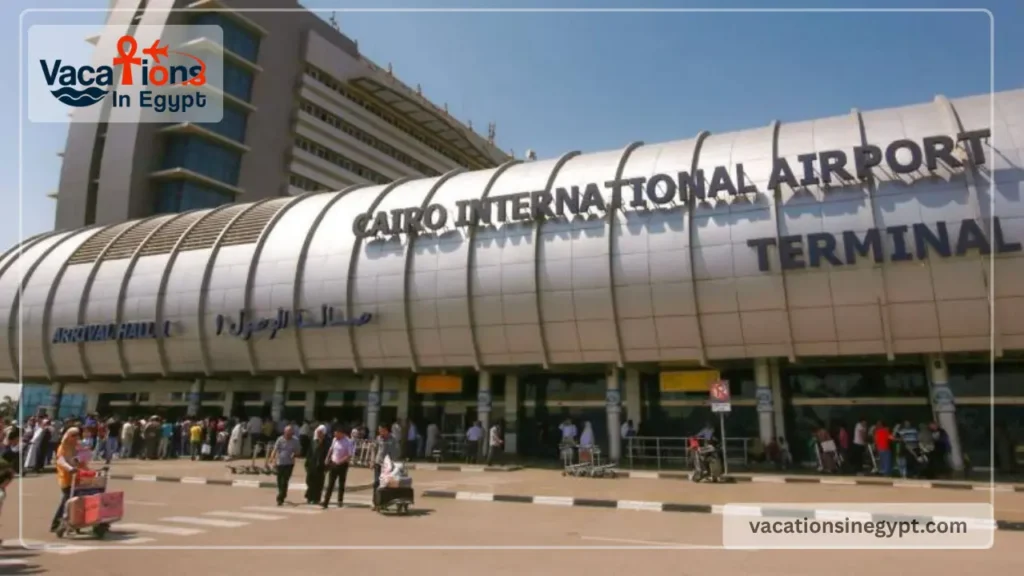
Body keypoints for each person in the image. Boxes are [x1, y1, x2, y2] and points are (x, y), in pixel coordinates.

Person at [51, 427, 88, 532]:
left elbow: (81, 458)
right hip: (66, 478)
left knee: (77, 501)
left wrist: (81, 463)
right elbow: (60, 461)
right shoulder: (62, 447)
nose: (75, 437)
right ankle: (56, 524)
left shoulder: (76, 447)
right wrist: (70, 468)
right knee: (66, 501)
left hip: (76, 477)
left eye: (77, 435)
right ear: (68, 436)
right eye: (73, 435)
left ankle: (75, 523)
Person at [267, 425, 301, 506]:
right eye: (287, 433)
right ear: (284, 432)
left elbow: (299, 452)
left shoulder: (295, 440)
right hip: (280, 463)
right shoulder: (280, 439)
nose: (289, 435)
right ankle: (283, 493)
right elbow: (275, 449)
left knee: (284, 480)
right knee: (279, 481)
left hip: (289, 464)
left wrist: (295, 454)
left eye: (290, 434)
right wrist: (271, 458)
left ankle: (280, 498)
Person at [322, 427, 354, 509]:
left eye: (336, 433)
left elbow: (349, 455)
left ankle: (340, 500)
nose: (335, 435)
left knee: (341, 483)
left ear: (341, 433)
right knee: (330, 483)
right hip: (333, 463)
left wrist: (341, 461)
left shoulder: (348, 441)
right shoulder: (334, 440)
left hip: (342, 465)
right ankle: (326, 501)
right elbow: (331, 449)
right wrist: (327, 458)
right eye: (334, 434)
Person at [371, 424, 398, 511]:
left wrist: (394, 462)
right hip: (378, 463)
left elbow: (395, 451)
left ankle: (385, 503)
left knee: (386, 484)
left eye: (381, 430)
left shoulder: (393, 439)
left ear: (386, 430)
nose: (380, 432)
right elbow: (374, 450)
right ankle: (375, 503)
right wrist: (372, 461)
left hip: (388, 465)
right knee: (376, 483)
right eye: (379, 430)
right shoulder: (378, 438)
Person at [304, 425, 329, 505]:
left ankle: (316, 499)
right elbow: (309, 452)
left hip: (321, 466)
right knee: (309, 481)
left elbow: (327, 454)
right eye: (318, 432)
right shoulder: (313, 441)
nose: (319, 434)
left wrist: (327, 466)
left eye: (320, 432)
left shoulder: (327, 442)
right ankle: (309, 497)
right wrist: (307, 463)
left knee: (318, 483)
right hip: (312, 464)